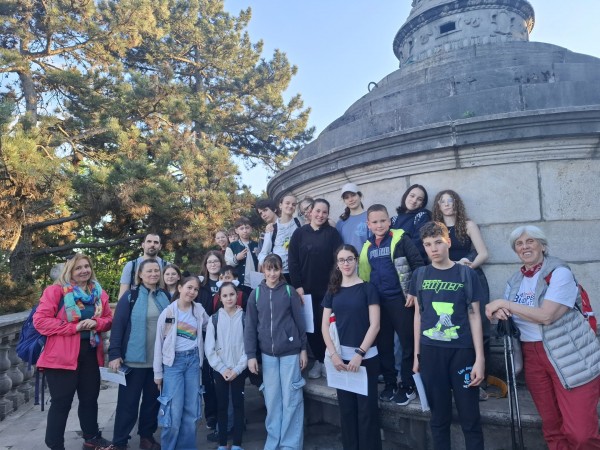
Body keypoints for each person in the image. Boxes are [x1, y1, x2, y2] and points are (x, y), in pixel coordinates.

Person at [485, 225, 600, 449]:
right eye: (519, 244)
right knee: (552, 427)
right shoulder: (515, 281)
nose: (524, 247)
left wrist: (504, 304)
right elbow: (509, 313)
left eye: (530, 241)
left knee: (581, 433)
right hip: (532, 355)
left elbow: (547, 316)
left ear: (543, 246)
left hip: (569, 355)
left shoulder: (559, 273)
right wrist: (501, 312)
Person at [410, 221, 485, 450]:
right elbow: (418, 316)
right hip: (431, 353)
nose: (433, 249)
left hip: (462, 352)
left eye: (438, 242)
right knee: (438, 418)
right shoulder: (420, 275)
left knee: (470, 418)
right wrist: (417, 355)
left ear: (448, 242)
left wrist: (480, 358)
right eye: (428, 244)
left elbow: (475, 316)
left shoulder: (466, 274)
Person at [33, 253, 113, 450]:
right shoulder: (55, 291)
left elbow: (109, 319)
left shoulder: (99, 293)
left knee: (89, 399)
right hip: (61, 357)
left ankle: (91, 438)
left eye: (86, 266)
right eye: (78, 268)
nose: (84, 270)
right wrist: (74, 327)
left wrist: (96, 323)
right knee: (61, 403)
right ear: (69, 270)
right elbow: (40, 321)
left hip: (90, 354)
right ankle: (55, 445)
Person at [358, 204, 424, 405]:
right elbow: (364, 275)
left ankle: (408, 385)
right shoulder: (367, 246)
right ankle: (390, 383)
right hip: (378, 303)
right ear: (368, 224)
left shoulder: (401, 239)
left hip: (401, 300)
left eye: (383, 220)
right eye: (375, 222)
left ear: (389, 221)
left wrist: (413, 291)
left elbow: (418, 265)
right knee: (384, 345)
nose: (379, 225)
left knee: (407, 343)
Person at [105, 258, 170, 450]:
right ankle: (120, 441)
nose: (153, 274)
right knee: (128, 404)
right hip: (133, 361)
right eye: (149, 271)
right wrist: (114, 353)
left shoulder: (164, 295)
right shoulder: (130, 296)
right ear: (140, 274)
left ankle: (146, 437)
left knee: (152, 403)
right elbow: (118, 325)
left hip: (157, 362)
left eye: (156, 271)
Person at [245, 254, 308, 450]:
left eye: (276, 269)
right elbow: (250, 327)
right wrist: (250, 355)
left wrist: (303, 349)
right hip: (267, 355)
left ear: (281, 270)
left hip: (290, 353)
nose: (272, 273)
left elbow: (300, 322)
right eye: (269, 269)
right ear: (263, 270)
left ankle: (290, 444)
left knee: (291, 399)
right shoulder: (255, 294)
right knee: (272, 400)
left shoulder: (289, 291)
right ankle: (273, 442)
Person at [432, 189, 491, 397]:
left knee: (480, 326)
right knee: (451, 326)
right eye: (443, 201)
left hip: (470, 277)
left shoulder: (468, 225)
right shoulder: (435, 229)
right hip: (446, 281)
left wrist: (467, 266)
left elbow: (483, 253)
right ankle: (457, 378)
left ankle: (481, 380)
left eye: (451, 200)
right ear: (438, 206)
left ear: (457, 203)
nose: (447, 204)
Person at [322, 245, 381, 450]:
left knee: (367, 413)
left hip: (366, 359)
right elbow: (324, 326)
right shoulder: (333, 291)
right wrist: (334, 355)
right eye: (341, 260)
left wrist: (359, 354)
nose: (345, 263)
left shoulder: (368, 289)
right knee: (346, 412)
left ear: (356, 260)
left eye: (349, 259)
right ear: (337, 264)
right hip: (340, 361)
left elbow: (375, 325)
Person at [288, 198, 344, 379]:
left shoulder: (332, 234)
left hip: (328, 290)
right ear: (310, 212)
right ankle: (319, 361)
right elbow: (293, 261)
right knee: (311, 327)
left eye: (324, 212)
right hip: (306, 291)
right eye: (318, 211)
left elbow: (338, 260)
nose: (320, 215)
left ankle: (329, 360)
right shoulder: (299, 234)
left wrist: (334, 285)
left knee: (327, 326)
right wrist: (298, 286)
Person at [153, 276, 209, 450]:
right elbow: (159, 343)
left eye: (195, 289)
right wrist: (158, 373)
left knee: (191, 411)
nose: (192, 292)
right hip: (173, 364)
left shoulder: (198, 310)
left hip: (193, 362)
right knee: (173, 411)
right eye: (189, 287)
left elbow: (210, 326)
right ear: (179, 288)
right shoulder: (168, 312)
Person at [205, 282, 247, 450]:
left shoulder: (245, 318)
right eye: (225, 295)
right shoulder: (214, 319)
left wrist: (237, 369)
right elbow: (209, 348)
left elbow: (248, 347)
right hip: (220, 370)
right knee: (221, 406)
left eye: (231, 294)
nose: (229, 298)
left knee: (238, 405)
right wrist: (222, 368)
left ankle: (237, 444)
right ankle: (222, 444)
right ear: (220, 298)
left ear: (237, 295)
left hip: (239, 370)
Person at [195, 250, 225, 432]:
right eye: (210, 262)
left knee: (225, 375)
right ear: (205, 265)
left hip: (227, 336)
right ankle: (212, 414)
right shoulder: (201, 286)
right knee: (208, 377)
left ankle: (228, 413)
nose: (213, 264)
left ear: (221, 263)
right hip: (207, 336)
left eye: (216, 261)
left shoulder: (228, 282)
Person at [258, 193, 301, 283]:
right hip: (280, 275)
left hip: (299, 271)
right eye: (287, 203)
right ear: (280, 205)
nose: (290, 206)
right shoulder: (271, 228)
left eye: (293, 204)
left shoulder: (300, 222)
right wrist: (269, 269)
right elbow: (263, 253)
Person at [119, 233, 167, 299]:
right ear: (143, 245)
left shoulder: (167, 266)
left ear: (160, 246)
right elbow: (123, 295)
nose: (152, 244)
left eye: (156, 242)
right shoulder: (131, 266)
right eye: (149, 241)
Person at [391, 184, 431, 261]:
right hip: (394, 262)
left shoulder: (421, 217)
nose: (414, 200)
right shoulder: (394, 220)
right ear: (406, 196)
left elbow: (418, 243)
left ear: (422, 204)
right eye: (412, 196)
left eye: (419, 199)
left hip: (414, 262)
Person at [225, 217, 259, 297]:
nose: (245, 231)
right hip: (240, 284)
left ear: (251, 229)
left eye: (247, 228)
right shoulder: (232, 246)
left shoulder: (257, 245)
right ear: (237, 231)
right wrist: (236, 258)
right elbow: (228, 264)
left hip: (255, 283)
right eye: (241, 228)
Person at [336, 182, 371, 251]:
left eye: (353, 195)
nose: (351, 200)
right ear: (344, 201)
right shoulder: (340, 223)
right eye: (346, 197)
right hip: (348, 258)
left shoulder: (370, 216)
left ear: (360, 196)